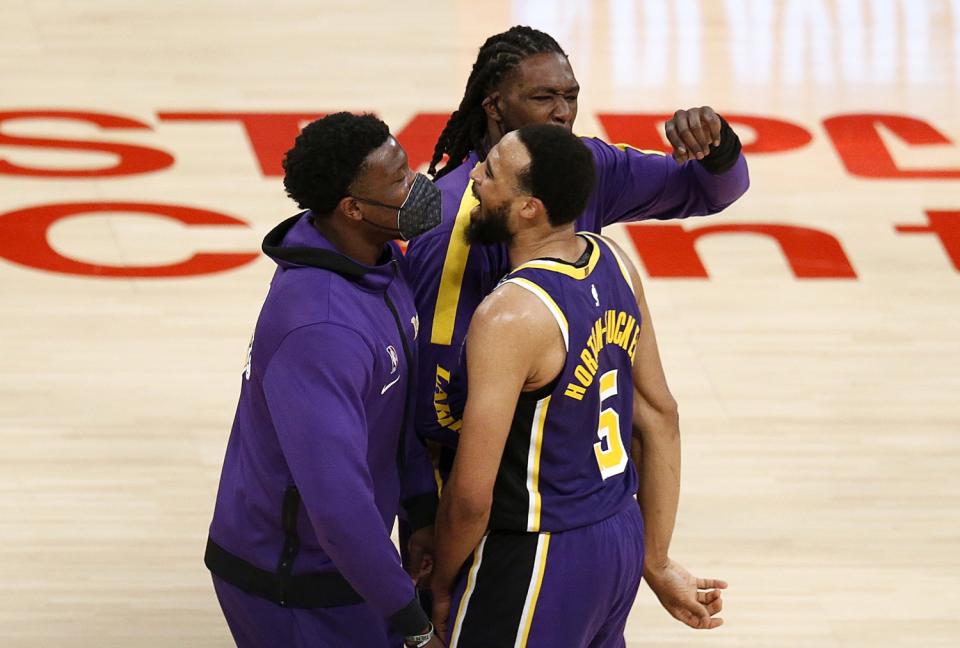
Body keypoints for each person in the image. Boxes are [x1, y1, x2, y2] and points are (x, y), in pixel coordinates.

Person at [429, 125, 726, 647]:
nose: (474, 176)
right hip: (619, 536)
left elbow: (472, 498)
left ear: (528, 208)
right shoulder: (613, 261)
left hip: (539, 555)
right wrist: (654, 560)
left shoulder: (509, 315)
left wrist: (440, 583)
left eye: (491, 172)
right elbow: (661, 416)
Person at [404, 25, 750, 460]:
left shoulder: (587, 168)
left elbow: (713, 190)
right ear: (494, 105)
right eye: (543, 97)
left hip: (574, 461)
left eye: (570, 96)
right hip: (495, 469)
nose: (563, 112)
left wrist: (716, 143)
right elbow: (434, 397)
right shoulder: (449, 219)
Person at [204, 112, 444, 648]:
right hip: (291, 582)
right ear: (352, 207)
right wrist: (412, 622)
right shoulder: (321, 328)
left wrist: (420, 511)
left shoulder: (380, 263)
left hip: (346, 565)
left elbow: (396, 413)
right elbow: (336, 504)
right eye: (401, 182)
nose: (418, 189)